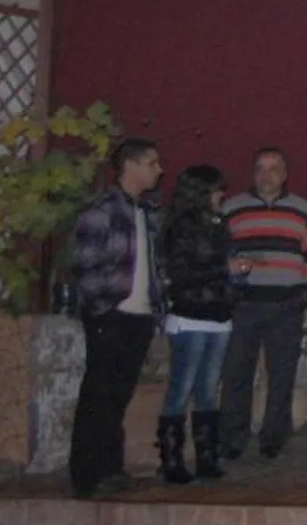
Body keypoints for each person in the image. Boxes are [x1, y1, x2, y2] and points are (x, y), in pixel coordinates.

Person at [67, 138, 165, 499]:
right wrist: (101, 307)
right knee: (99, 393)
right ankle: (85, 474)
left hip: (139, 315)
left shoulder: (147, 212)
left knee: (118, 395)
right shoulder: (102, 210)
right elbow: (86, 265)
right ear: (132, 165)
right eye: (152, 163)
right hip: (111, 313)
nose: (159, 170)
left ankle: (110, 467)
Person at [218, 147, 307, 460]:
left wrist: (306, 292)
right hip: (244, 305)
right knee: (237, 373)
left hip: (286, 306)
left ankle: (273, 437)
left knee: (281, 375)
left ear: (285, 174)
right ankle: (233, 439)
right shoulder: (232, 209)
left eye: (274, 168)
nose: (267, 174)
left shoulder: (302, 209)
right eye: (261, 168)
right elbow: (218, 254)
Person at [158, 164, 234, 484]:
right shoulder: (181, 226)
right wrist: (222, 267)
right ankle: (172, 459)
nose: (222, 195)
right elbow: (181, 274)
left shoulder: (219, 224)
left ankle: (207, 456)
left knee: (208, 391)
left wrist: (233, 274)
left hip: (218, 314)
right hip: (190, 315)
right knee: (181, 388)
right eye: (217, 189)